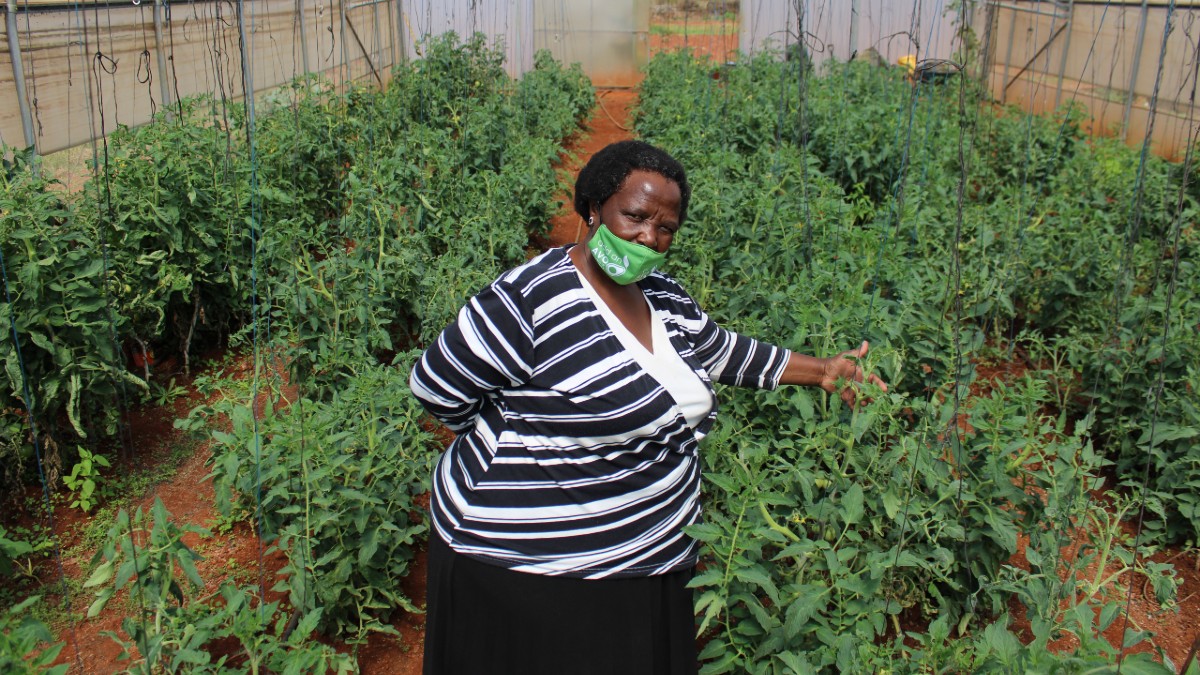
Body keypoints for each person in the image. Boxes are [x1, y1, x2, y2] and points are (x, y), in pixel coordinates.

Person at [410, 140, 887, 675]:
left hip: (651, 555)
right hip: (530, 572)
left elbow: (720, 351)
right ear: (593, 208)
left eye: (666, 229)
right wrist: (516, 436)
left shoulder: (662, 294)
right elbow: (436, 388)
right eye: (635, 217)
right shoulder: (528, 300)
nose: (648, 238)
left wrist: (822, 370)